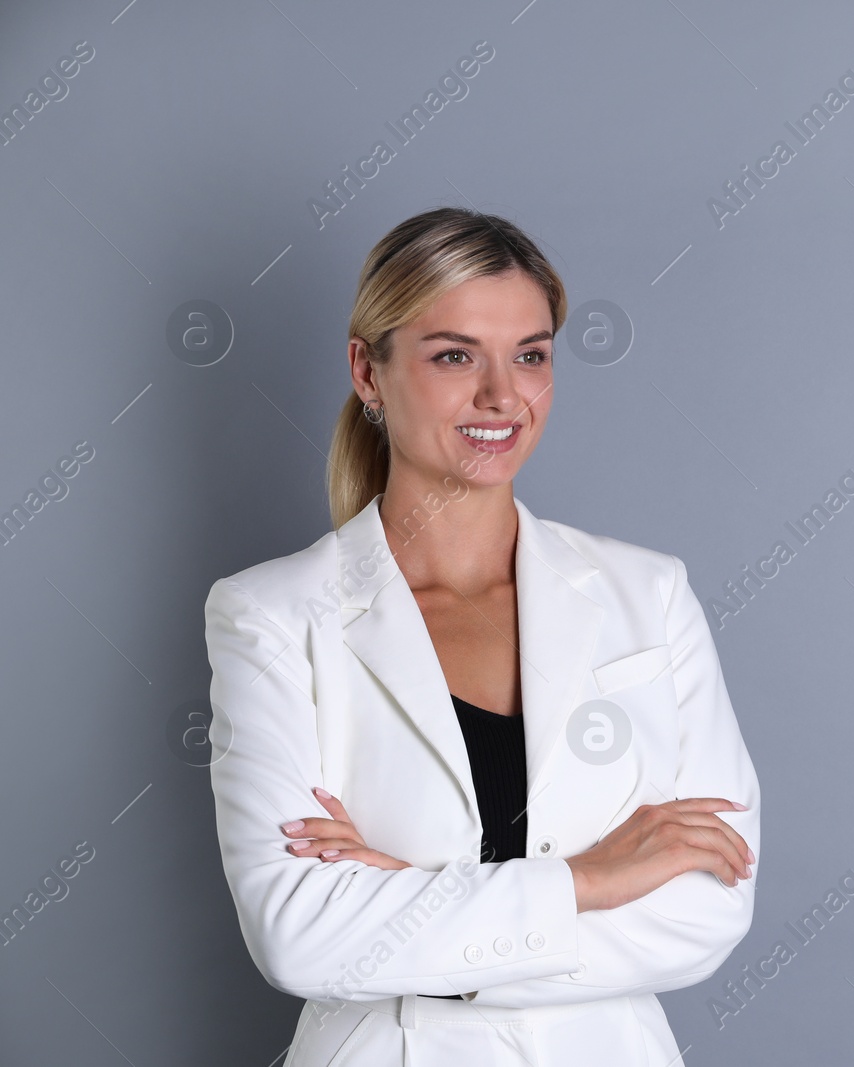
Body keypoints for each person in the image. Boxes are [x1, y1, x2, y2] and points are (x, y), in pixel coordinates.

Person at [202, 207, 759, 1065]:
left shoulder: (650, 594)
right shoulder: (271, 614)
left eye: (531, 355)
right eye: (455, 355)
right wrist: (590, 881)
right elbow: (297, 936)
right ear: (368, 370)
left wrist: (411, 900)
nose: (503, 396)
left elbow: (709, 906)